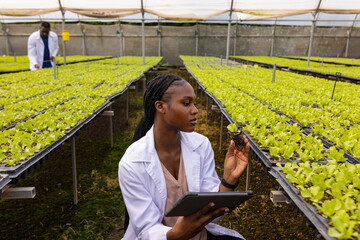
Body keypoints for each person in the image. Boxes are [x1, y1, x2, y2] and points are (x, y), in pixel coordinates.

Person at [118, 73, 250, 240]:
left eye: (194, 103)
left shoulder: (201, 145)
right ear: (160, 107)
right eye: (186, 103)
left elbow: (212, 212)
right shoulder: (132, 163)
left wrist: (229, 179)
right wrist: (177, 234)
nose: (195, 110)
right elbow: (146, 230)